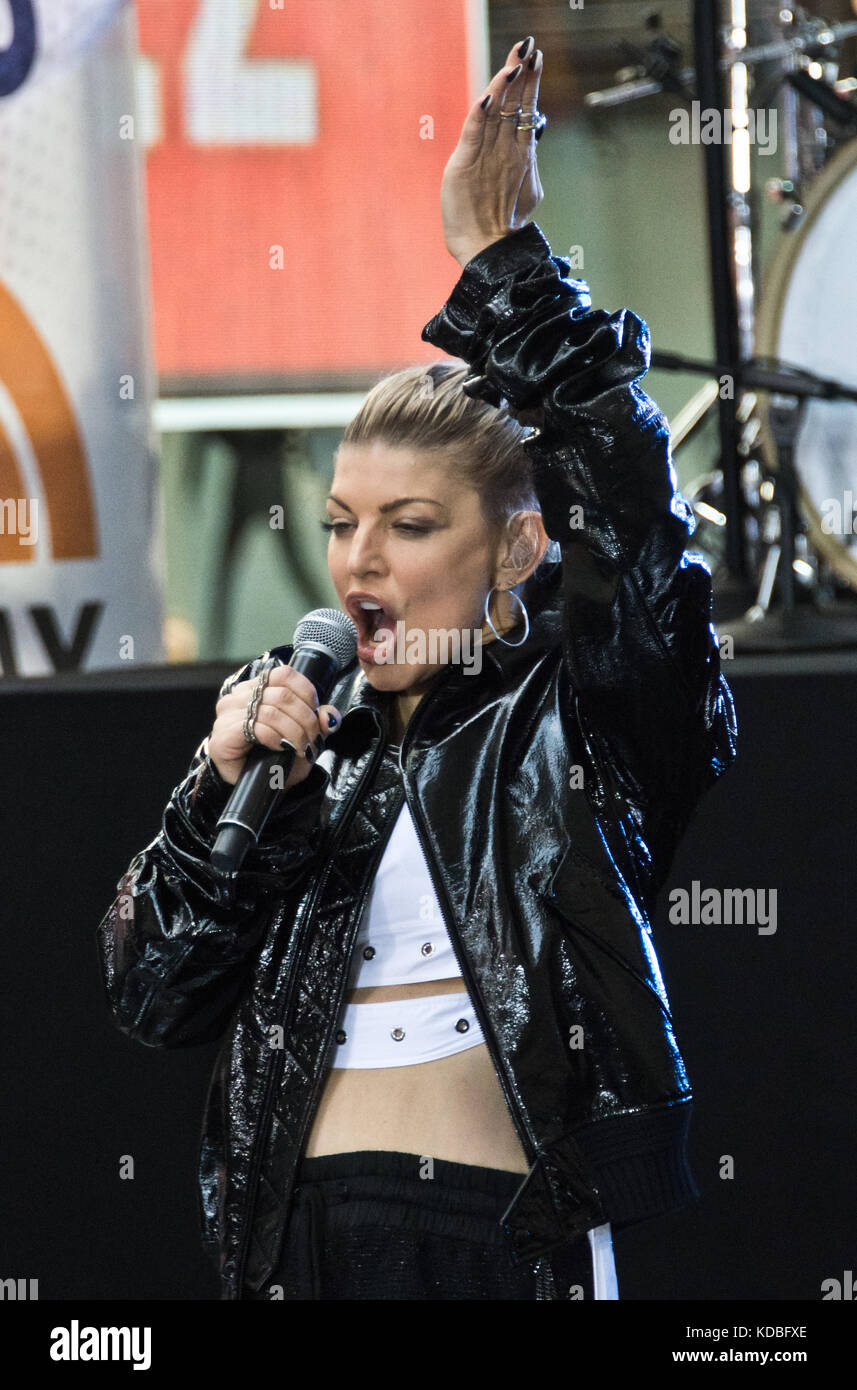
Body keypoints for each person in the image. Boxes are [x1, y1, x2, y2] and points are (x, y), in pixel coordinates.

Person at [96, 35, 737, 1301]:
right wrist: (216, 801)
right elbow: (155, 997)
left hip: (494, 1244)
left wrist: (506, 266)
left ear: (517, 547)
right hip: (298, 1250)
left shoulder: (582, 719)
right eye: (340, 522)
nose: (358, 562)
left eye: (410, 523)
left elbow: (628, 502)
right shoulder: (302, 748)